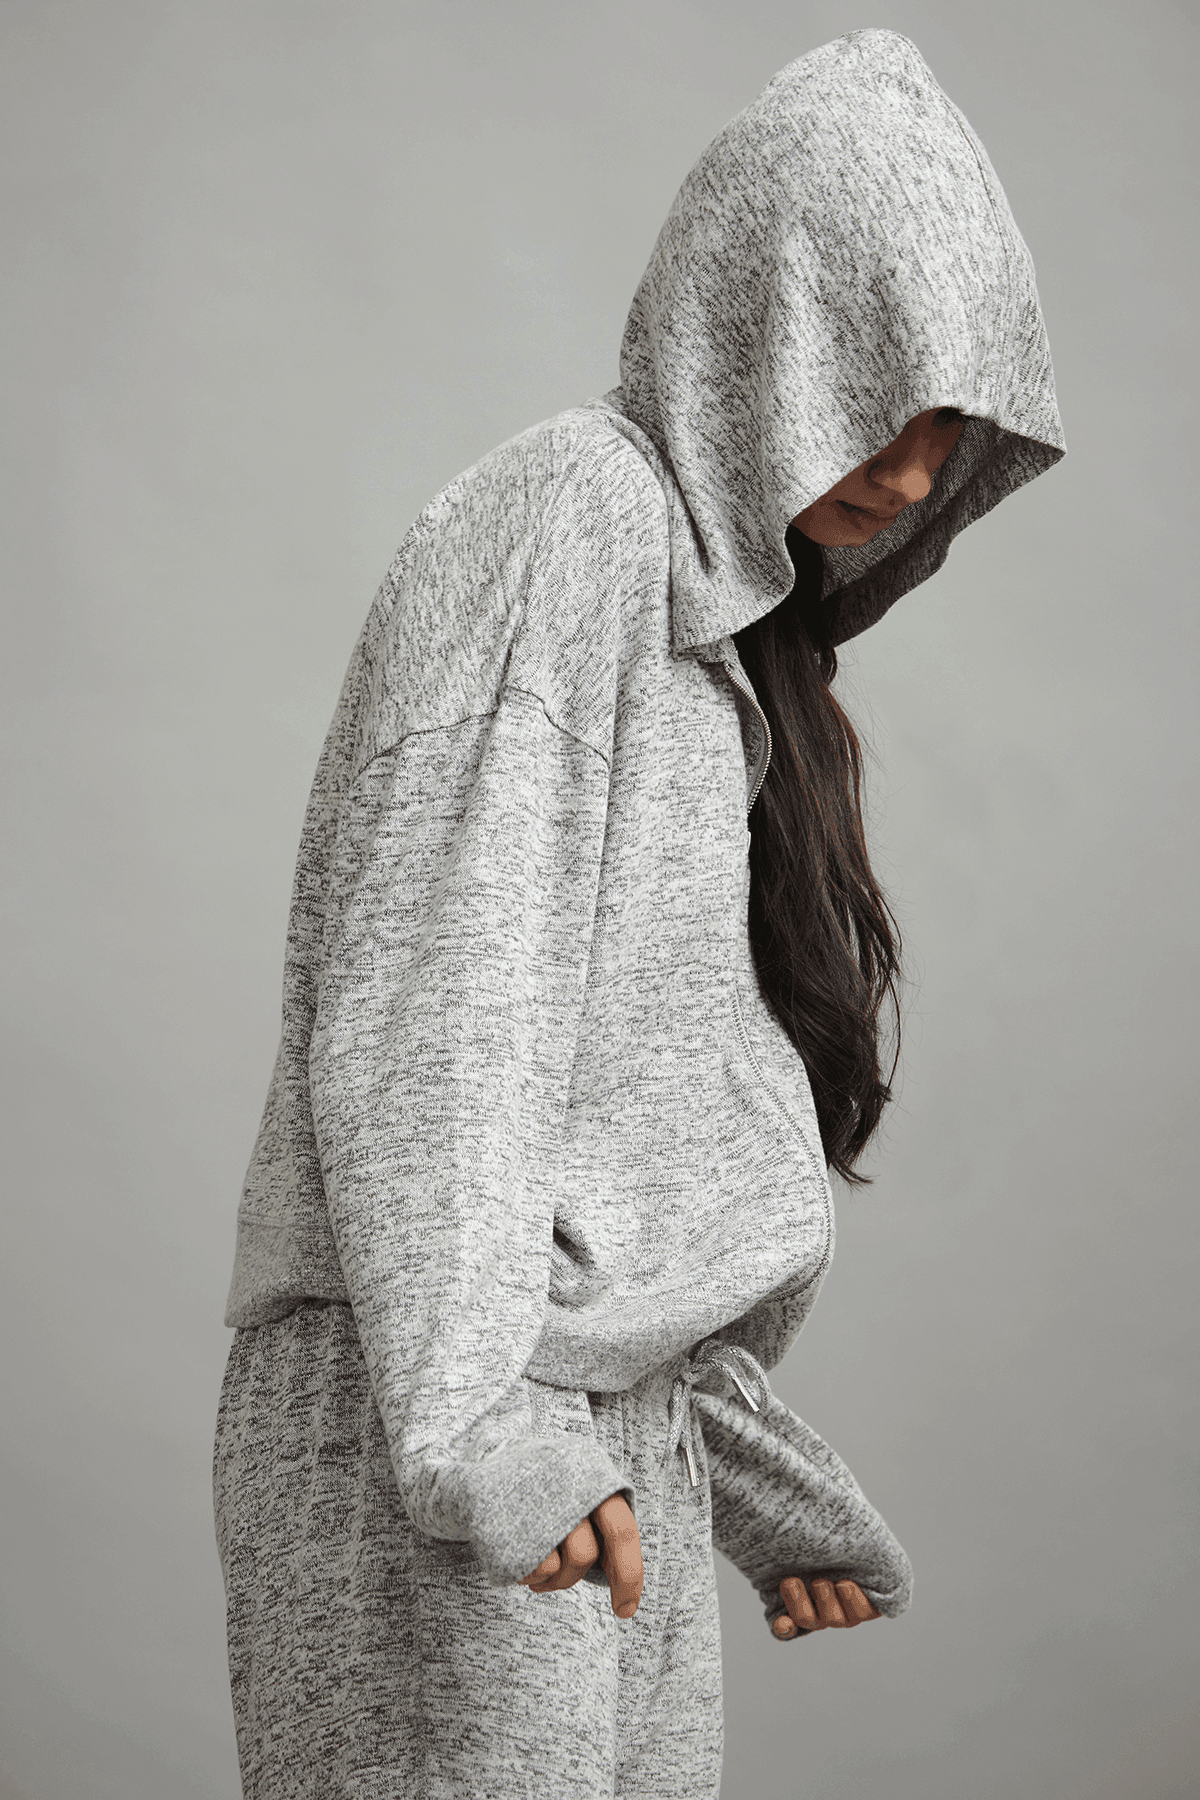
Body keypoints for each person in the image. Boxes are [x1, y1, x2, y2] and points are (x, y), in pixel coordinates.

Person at [212, 27, 1064, 1799]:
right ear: (767, 324)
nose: (915, 471)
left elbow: (633, 1121)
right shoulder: (567, 521)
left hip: (588, 1441)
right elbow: (435, 1003)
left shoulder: (729, 655)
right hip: (449, 1410)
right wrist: (478, 1429)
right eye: (881, 383)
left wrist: (739, 1465)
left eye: (951, 420)